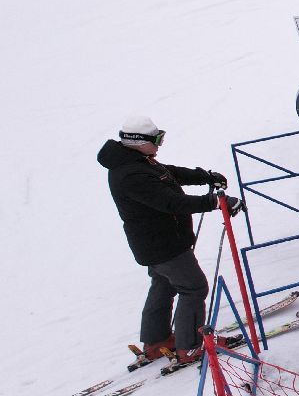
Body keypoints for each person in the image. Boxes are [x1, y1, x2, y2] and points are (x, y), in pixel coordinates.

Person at [98, 116, 243, 365]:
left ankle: (156, 341)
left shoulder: (137, 162)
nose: (160, 144)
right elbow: (171, 202)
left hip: (156, 243)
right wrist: (214, 202)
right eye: (156, 140)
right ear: (136, 141)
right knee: (194, 287)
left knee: (164, 285)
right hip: (164, 244)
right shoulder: (131, 174)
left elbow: (170, 174)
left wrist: (205, 177)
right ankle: (191, 346)